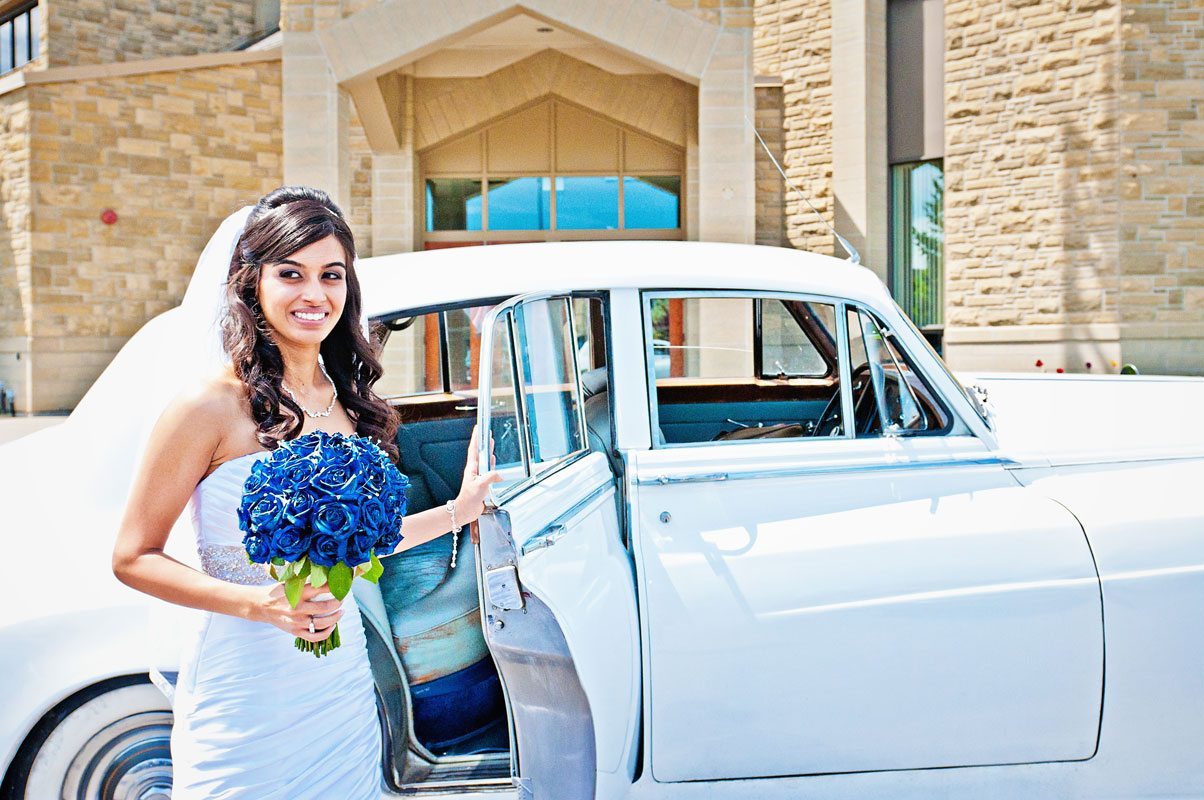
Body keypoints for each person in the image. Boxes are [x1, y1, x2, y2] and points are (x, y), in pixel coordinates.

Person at [111, 186, 500, 798]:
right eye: (291, 274)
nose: (314, 294)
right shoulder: (207, 407)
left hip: (338, 683)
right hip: (246, 685)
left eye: (331, 276)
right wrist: (260, 606)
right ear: (251, 283)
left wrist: (459, 510)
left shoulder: (345, 403)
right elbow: (132, 557)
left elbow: (365, 541)